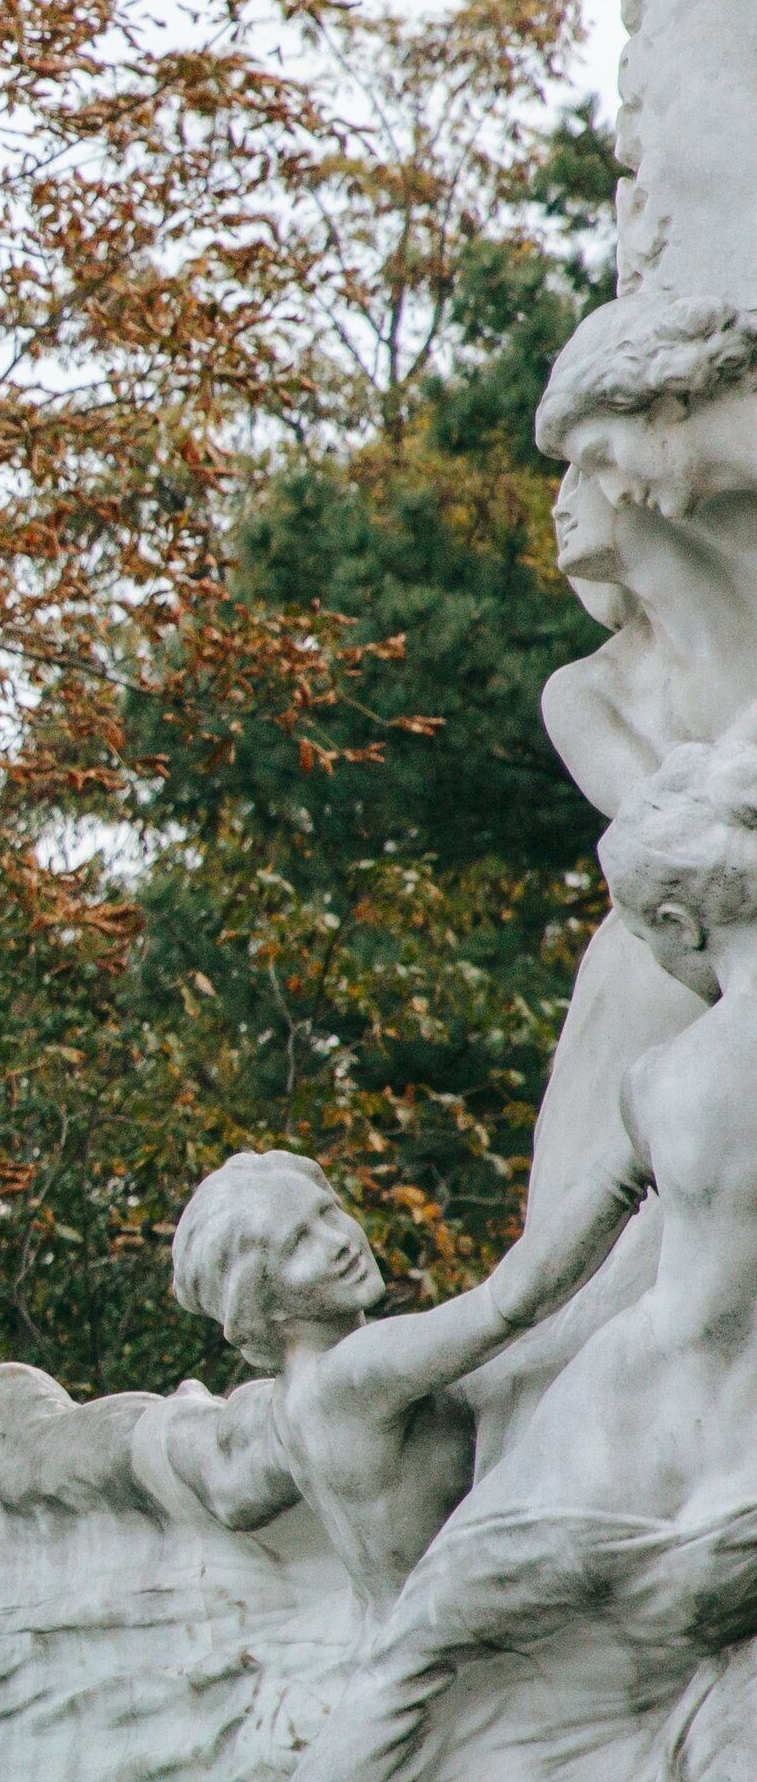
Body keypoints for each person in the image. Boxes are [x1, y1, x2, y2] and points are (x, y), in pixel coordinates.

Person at [289, 733, 757, 1781]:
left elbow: (541, 1288)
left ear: (679, 925)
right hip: (739, 1471)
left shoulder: (657, 1083)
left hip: (615, 1447)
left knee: (407, 1676)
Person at [141, 1150, 644, 1624]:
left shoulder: (290, 1397)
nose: (338, 1241)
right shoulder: (352, 1374)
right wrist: (624, 1170)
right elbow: (509, 1303)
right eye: (299, 1244)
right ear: (264, 1303)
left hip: (394, 1627)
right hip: (454, 1637)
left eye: (328, 1212)